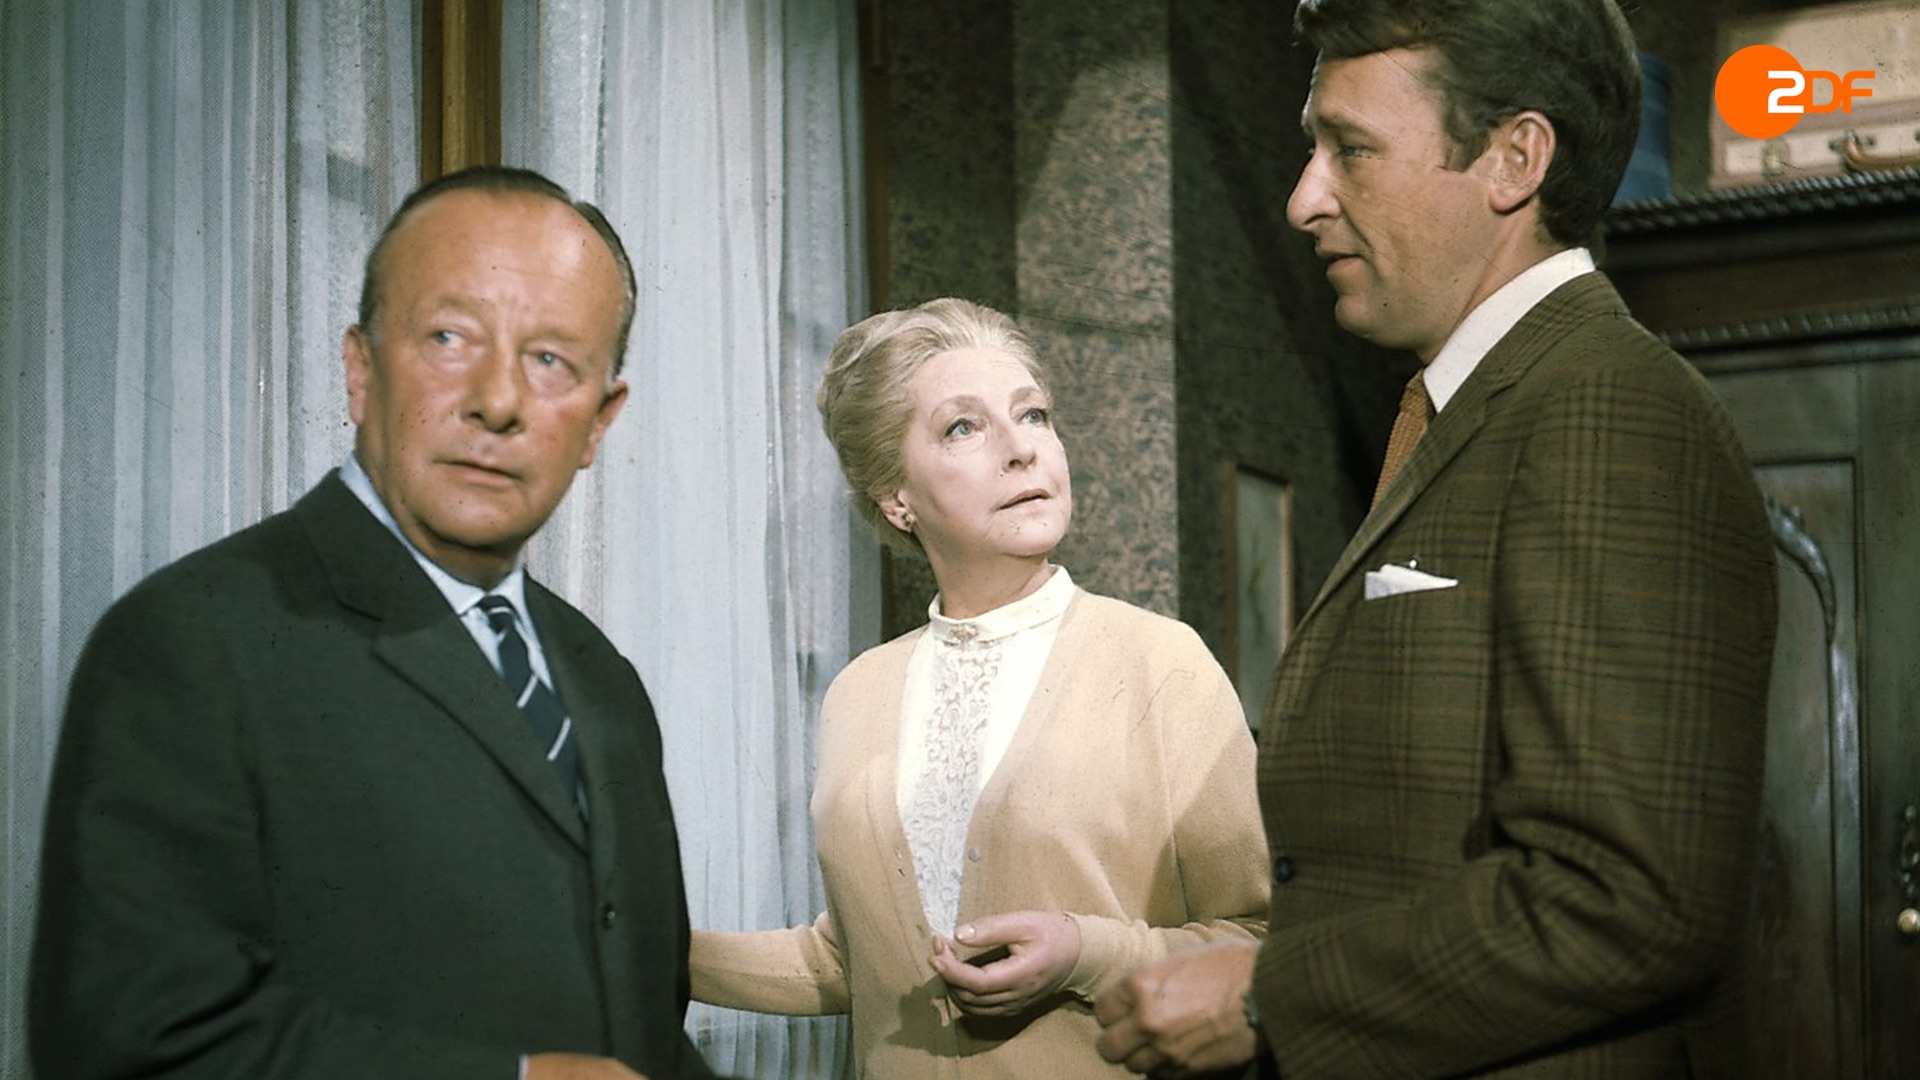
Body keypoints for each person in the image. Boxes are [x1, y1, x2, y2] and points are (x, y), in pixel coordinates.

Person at [1094, 1, 1778, 1077]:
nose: (1304, 198)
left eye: (1352, 149)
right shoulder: (1485, 409)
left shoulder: (1608, 410)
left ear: (1515, 159)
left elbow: (1629, 900)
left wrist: (1269, 998)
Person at [31, 166, 715, 1080]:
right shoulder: (190, 640)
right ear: (359, 370)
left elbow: (638, 1031)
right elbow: (131, 1042)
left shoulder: (601, 677)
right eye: (448, 338)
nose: (499, 400)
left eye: (551, 360)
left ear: (598, 422)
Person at [687, 297, 1269, 1077]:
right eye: (964, 427)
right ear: (895, 496)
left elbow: (1264, 942)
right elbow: (858, 958)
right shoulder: (858, 693)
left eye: (1033, 415)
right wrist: (655, 947)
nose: (1022, 449)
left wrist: (1084, 951)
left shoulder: (1161, 663)